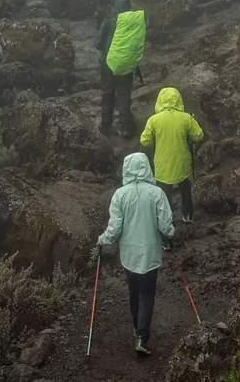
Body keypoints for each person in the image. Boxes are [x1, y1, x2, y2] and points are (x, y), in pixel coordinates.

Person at [97, 152, 174, 356]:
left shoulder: (120, 195)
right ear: (147, 167)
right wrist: (170, 234)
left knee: (134, 291)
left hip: (129, 255)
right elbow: (165, 226)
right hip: (150, 253)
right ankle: (142, 337)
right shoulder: (157, 193)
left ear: (126, 169)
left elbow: (114, 230)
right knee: (147, 294)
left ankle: (136, 327)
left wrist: (102, 239)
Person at [140, 87, 204, 227]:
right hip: (182, 162)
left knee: (164, 194)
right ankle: (187, 216)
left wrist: (156, 138)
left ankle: (166, 221)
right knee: (185, 190)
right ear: (178, 99)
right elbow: (198, 135)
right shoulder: (186, 118)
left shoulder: (153, 120)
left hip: (162, 163)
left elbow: (144, 141)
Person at [96, 0, 146, 137]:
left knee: (108, 93)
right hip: (127, 64)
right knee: (124, 95)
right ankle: (126, 128)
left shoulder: (110, 21)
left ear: (116, 6)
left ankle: (106, 126)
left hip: (108, 64)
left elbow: (98, 44)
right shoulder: (136, 21)